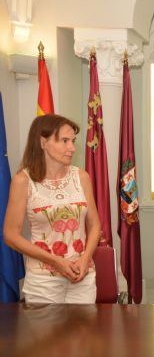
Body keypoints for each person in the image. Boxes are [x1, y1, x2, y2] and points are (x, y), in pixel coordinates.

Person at [3, 114, 100, 303]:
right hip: (43, 282)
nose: (72, 148)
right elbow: (10, 235)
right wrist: (56, 261)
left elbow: (95, 225)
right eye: (64, 141)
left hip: (82, 277)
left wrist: (85, 258)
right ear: (43, 142)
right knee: (46, 325)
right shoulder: (23, 181)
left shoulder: (82, 177)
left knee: (84, 325)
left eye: (73, 141)